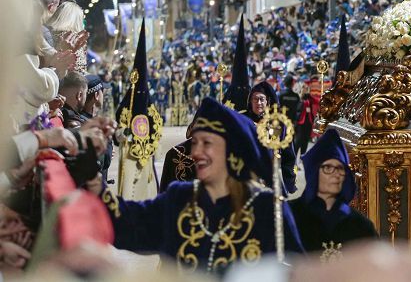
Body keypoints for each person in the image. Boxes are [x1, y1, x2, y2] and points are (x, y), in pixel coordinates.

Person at [100, 97, 304, 274]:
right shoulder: (179, 199)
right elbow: (127, 223)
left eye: (206, 143)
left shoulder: (267, 208)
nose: (196, 152)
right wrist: (90, 175)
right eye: (195, 142)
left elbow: (298, 270)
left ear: (232, 151)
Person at [291, 128, 377, 255]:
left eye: (340, 168)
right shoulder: (292, 215)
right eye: (328, 168)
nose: (336, 174)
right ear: (313, 172)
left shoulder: (360, 225)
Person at [245, 81, 297, 193]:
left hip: (272, 179)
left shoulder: (279, 124)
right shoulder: (243, 121)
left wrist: (289, 183)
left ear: (268, 102)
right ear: (250, 101)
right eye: (255, 99)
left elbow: (289, 155)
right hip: (247, 179)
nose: (258, 103)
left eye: (261, 99)